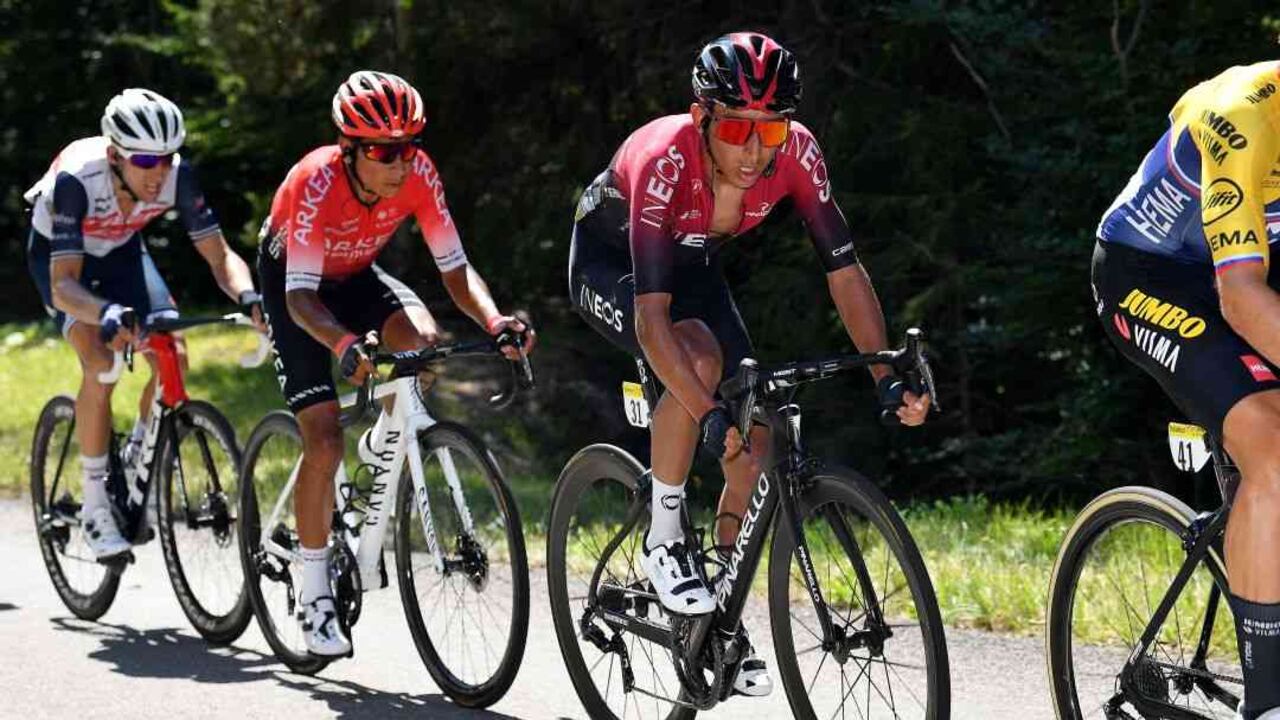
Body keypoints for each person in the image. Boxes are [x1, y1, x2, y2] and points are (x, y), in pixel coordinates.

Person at [567, 32, 929, 696]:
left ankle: (720, 629)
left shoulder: (797, 154)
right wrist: (704, 413)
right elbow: (653, 322)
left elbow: (844, 271)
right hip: (611, 265)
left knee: (756, 443)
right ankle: (666, 534)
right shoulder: (663, 160)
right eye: (737, 126)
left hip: (694, 263)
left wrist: (884, 374)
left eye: (774, 127)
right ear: (702, 117)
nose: (756, 148)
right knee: (697, 359)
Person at [257, 70, 535, 657]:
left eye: (408, 147)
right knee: (324, 441)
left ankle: (381, 444)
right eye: (385, 152)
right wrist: (343, 346)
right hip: (297, 289)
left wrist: (494, 322)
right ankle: (314, 593)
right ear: (349, 149)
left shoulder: (419, 175)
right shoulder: (315, 183)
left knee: (422, 344)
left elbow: (455, 272)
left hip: (356, 275)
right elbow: (302, 300)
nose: (400, 163)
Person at [1091, 60, 1280, 720]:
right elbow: (1241, 298)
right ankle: (1269, 703)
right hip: (1155, 276)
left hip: (1252, 264)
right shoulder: (1245, 117)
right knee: (1272, 449)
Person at [23, 88, 263, 561]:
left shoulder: (177, 178)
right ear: (114, 156)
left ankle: (137, 455)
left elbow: (220, 257)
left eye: (168, 159)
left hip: (120, 252)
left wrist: (249, 296)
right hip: (63, 263)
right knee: (103, 363)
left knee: (173, 352)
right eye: (145, 162)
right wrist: (106, 312)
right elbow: (63, 287)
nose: (160, 173)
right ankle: (94, 505)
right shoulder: (77, 180)